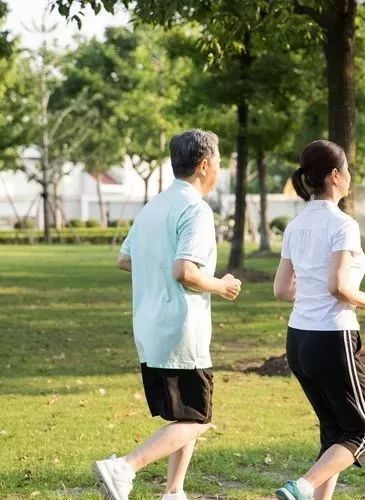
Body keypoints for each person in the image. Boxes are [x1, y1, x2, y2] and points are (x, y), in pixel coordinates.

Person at [93, 129, 242, 500]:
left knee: (184, 415)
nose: (220, 169)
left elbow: (125, 259)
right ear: (205, 164)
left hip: (149, 327)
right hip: (181, 329)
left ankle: (174, 491)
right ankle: (124, 467)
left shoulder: (153, 206)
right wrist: (222, 285)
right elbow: (185, 272)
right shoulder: (196, 209)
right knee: (198, 418)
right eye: (219, 161)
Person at [272, 140, 365, 500]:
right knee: (361, 431)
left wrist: (311, 294)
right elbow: (339, 287)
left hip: (299, 340)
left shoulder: (295, 225)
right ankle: (301, 487)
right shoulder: (343, 225)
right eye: (348, 170)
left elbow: (281, 289)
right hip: (331, 337)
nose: (350, 176)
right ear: (336, 176)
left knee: (334, 432)